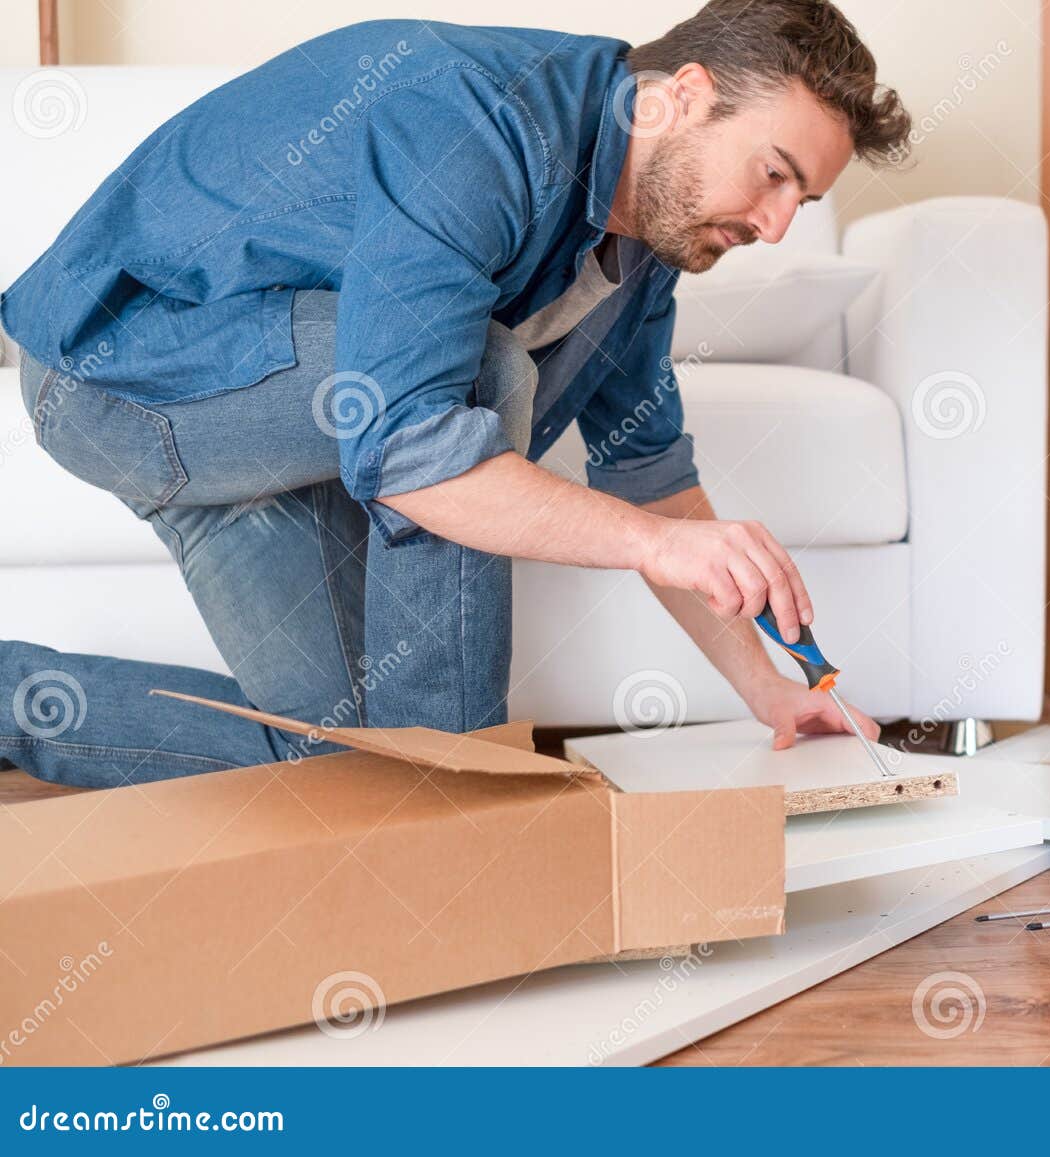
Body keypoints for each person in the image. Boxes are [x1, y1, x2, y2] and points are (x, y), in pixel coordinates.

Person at [0, 1, 912, 787]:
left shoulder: (647, 251)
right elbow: (412, 442)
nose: (780, 225)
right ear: (681, 95)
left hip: (268, 433)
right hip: (118, 377)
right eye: (776, 174)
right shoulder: (480, 123)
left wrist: (767, 691)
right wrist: (660, 545)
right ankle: (459, 784)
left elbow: (648, 476)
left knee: (355, 762)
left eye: (804, 198)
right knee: (478, 372)